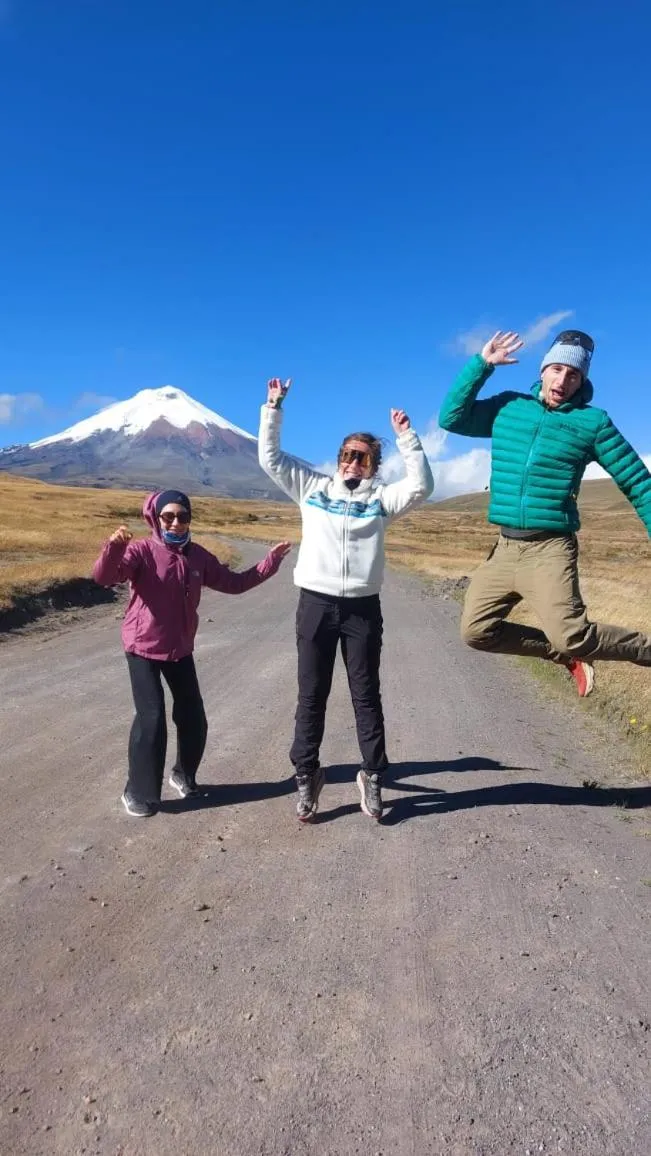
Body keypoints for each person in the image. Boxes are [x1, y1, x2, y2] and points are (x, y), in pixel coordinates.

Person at [258, 378, 434, 823]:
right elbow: (270, 458)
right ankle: (306, 778)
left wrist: (407, 438)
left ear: (374, 464)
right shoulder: (312, 488)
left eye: (361, 456)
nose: (351, 462)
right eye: (346, 455)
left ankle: (372, 777)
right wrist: (274, 407)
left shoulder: (382, 500)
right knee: (311, 694)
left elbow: (423, 486)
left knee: (365, 694)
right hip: (315, 603)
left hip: (361, 608)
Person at [438, 329, 651, 695]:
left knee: (573, 635)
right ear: (542, 371)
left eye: (573, 375)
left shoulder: (593, 423)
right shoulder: (508, 408)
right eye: (556, 370)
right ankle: (565, 657)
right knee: (476, 632)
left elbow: (638, 482)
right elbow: (451, 419)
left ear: (582, 381)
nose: (563, 380)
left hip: (550, 548)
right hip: (505, 548)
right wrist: (481, 365)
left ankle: (642, 651)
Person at [92, 488, 291, 817]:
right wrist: (114, 548)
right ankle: (138, 791)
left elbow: (235, 583)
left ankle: (183, 775)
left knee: (193, 716)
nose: (175, 522)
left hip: (180, 647)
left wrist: (270, 563)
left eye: (183, 516)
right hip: (142, 646)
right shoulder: (141, 550)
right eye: (168, 516)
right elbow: (104, 577)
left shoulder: (198, 556)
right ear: (155, 518)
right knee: (151, 717)